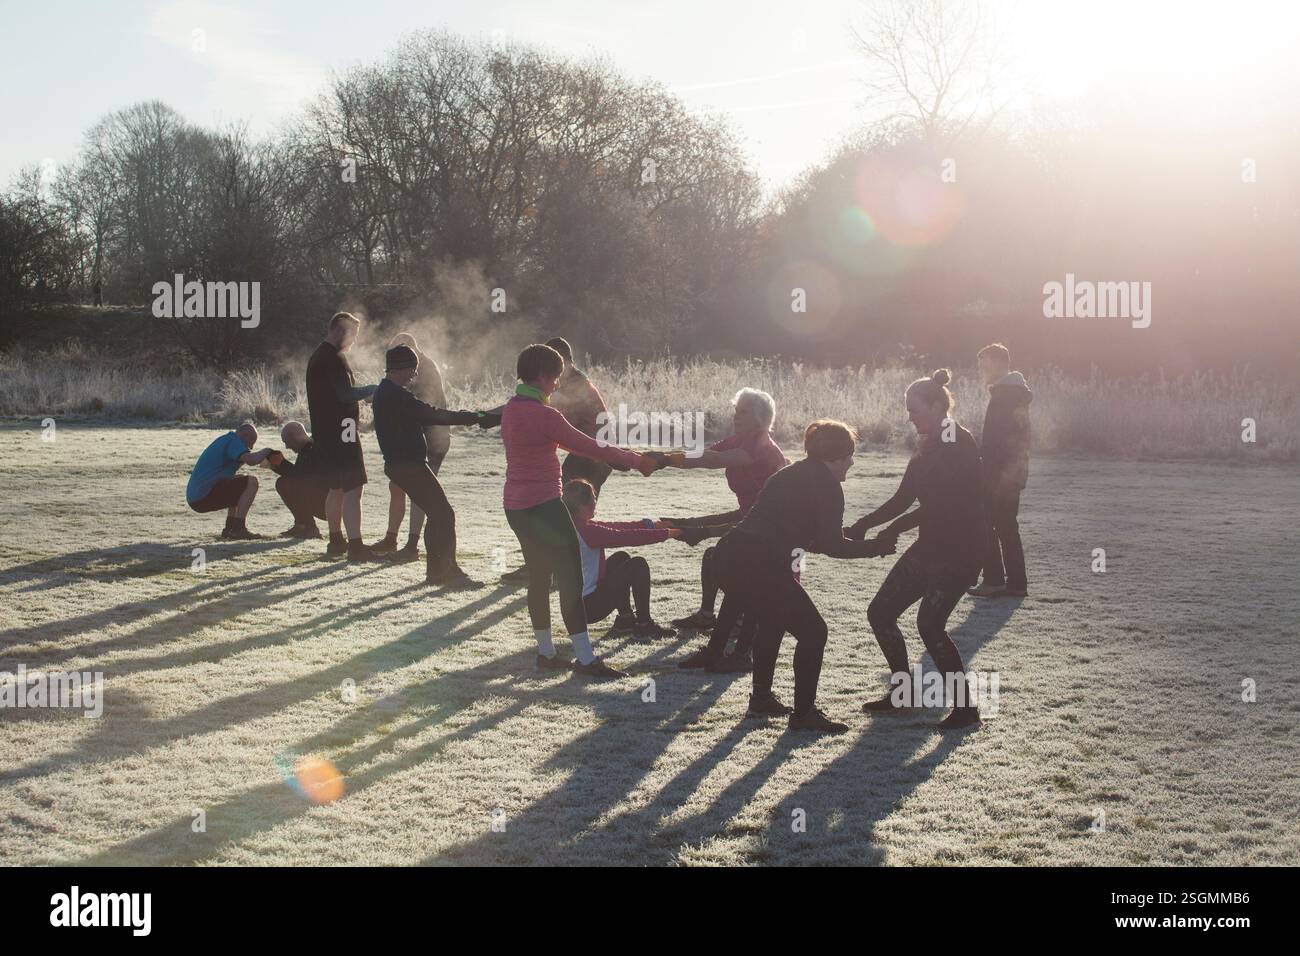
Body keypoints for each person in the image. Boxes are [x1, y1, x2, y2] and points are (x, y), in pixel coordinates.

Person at [711, 420, 894, 733]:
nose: (852, 461)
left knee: (773, 620)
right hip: (758, 563)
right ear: (836, 457)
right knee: (814, 632)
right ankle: (804, 715)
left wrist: (849, 537)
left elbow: (797, 528)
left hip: (729, 557)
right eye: (849, 455)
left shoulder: (789, 473)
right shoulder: (828, 486)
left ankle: (762, 698)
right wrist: (875, 548)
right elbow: (831, 546)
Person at [501, 344, 663, 679]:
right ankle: (586, 660)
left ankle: (546, 654)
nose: (557, 386)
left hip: (515, 507)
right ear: (543, 377)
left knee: (538, 578)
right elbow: (589, 445)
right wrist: (636, 461)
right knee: (570, 581)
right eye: (555, 379)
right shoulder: (545, 415)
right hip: (546, 506)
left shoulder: (512, 408)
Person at [846, 369, 985, 730]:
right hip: (930, 546)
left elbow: (942, 503)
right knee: (880, 612)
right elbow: (905, 498)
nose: (909, 415)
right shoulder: (926, 442)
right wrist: (864, 524)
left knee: (930, 625)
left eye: (916, 409)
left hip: (961, 551)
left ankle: (966, 710)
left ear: (939, 406)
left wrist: (892, 529)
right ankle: (902, 695)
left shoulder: (958, 441)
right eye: (908, 408)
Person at [657, 387, 788, 672]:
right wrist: (662, 459)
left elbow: (716, 461)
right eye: (736, 410)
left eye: (742, 412)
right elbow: (704, 456)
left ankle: (737, 645)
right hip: (753, 521)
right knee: (722, 559)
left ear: (759, 417)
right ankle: (716, 632)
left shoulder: (760, 446)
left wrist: (700, 529)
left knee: (731, 563)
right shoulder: (740, 439)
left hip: (773, 530)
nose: (735, 415)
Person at [372, 344, 502, 588]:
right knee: (444, 513)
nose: (414, 375)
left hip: (400, 465)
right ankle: (446, 572)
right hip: (409, 465)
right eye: (412, 370)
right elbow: (432, 414)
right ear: (400, 368)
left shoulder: (386, 392)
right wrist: (475, 417)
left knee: (437, 513)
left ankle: (437, 573)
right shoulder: (396, 395)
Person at [500, 335, 622, 582]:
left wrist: (488, 415)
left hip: (594, 454)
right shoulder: (569, 381)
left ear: (563, 362)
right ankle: (551, 566)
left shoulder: (573, 385)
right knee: (568, 511)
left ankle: (553, 568)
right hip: (594, 452)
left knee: (566, 510)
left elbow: (542, 412)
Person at [562, 478, 706, 639]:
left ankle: (625, 620)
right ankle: (644, 625)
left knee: (621, 558)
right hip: (589, 607)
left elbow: (616, 527)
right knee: (638, 565)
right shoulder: (587, 531)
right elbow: (627, 537)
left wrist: (651, 525)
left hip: (577, 606)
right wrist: (671, 533)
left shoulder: (573, 526)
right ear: (583, 505)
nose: (596, 501)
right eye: (594, 498)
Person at [306, 311, 379, 562]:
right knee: (353, 487)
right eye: (353, 334)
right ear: (340, 330)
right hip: (342, 432)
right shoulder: (333, 358)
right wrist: (374, 390)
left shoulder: (320, 355)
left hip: (325, 433)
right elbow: (344, 394)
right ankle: (356, 546)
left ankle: (336, 541)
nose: (354, 340)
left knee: (335, 488)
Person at [373, 333, 450, 559]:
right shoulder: (401, 374)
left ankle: (412, 545)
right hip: (410, 438)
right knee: (396, 487)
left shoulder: (425, 370)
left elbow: (429, 410)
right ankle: (391, 537)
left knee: (421, 493)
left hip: (433, 437)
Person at [968, 343, 1032, 598]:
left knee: (985, 525)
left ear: (997, 362)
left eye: (984, 363)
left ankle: (994, 579)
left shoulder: (1004, 395)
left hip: (1000, 473)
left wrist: (985, 471)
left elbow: (997, 441)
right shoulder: (1014, 393)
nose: (982, 369)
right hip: (1013, 471)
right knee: (1007, 527)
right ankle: (1016, 584)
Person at [185, 423, 276, 539]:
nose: (251, 447)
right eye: (251, 442)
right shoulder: (233, 441)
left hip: (196, 497)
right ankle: (239, 529)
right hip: (203, 495)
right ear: (244, 435)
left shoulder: (225, 440)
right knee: (251, 482)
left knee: (239, 481)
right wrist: (267, 451)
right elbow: (251, 460)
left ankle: (230, 529)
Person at [267, 421, 327, 538]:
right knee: (283, 483)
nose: (287, 447)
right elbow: (299, 475)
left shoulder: (314, 449)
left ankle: (309, 527)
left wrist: (280, 463)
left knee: (286, 483)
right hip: (321, 498)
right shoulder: (306, 449)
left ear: (293, 437)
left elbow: (301, 478)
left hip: (328, 503)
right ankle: (302, 525)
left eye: (287, 442)